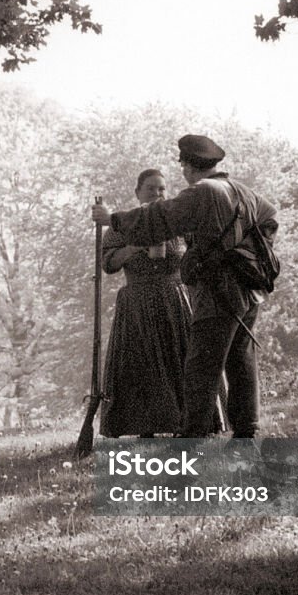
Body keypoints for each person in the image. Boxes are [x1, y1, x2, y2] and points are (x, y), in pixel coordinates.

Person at [92, 135, 278, 439]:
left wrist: (113, 218)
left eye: (183, 166)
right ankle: (247, 432)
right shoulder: (242, 191)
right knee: (240, 361)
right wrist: (242, 254)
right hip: (248, 291)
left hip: (217, 293)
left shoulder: (202, 192)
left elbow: (158, 218)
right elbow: (269, 220)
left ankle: (192, 439)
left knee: (201, 369)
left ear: (189, 166)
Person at [99, 168, 193, 438]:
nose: (157, 193)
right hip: (138, 302)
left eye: (162, 188)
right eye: (151, 188)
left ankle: (186, 424)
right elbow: (108, 264)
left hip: (174, 299)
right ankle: (144, 426)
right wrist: (137, 246)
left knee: (183, 361)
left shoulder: (176, 224)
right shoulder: (122, 224)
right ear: (137, 192)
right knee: (139, 365)